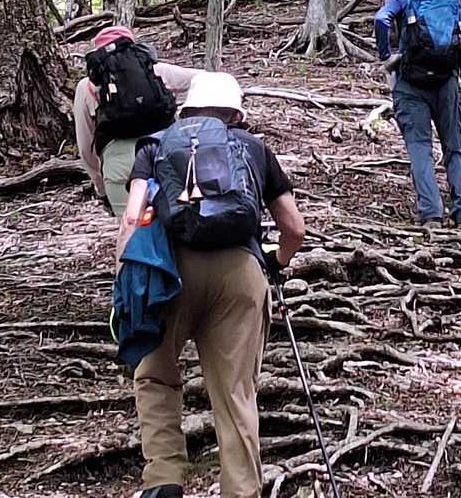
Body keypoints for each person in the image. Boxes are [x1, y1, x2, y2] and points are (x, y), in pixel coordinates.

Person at [121, 72, 306, 498]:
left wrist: (127, 283)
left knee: (155, 376)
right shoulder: (255, 148)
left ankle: (164, 479)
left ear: (186, 110)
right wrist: (276, 262)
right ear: (236, 114)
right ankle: (240, 490)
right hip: (239, 274)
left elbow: (131, 218)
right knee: (236, 393)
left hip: (168, 271)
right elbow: (294, 228)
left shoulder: (155, 146)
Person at [373, 0, 461, 233]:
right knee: (454, 148)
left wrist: (386, 57)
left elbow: (381, 19)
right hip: (446, 83)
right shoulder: (450, 1)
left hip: (410, 83)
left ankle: (431, 215)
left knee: (420, 148)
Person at [73, 25, 201, 219]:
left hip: (119, 166)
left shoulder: (87, 87)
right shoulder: (155, 70)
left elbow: (85, 147)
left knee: (132, 230)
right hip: (164, 154)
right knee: (179, 226)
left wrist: (100, 186)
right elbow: (205, 78)